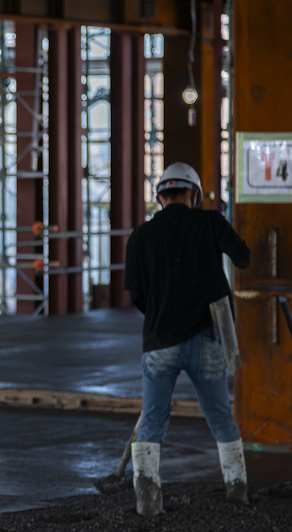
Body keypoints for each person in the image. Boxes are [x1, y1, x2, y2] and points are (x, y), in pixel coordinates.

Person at [124, 162, 251, 515]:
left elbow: (135, 294)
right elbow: (243, 258)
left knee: (152, 420)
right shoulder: (210, 222)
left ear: (159, 196)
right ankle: (237, 490)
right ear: (193, 195)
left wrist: (161, 314)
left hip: (159, 342)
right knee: (221, 418)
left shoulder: (140, 235)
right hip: (207, 340)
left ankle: (148, 502)